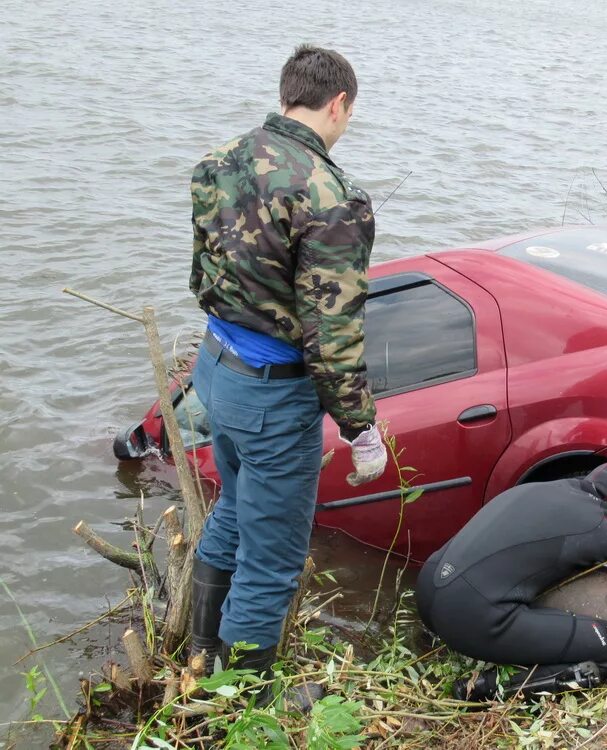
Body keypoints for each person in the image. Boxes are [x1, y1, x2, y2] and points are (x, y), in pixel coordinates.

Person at [186, 45, 387, 693]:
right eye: (348, 113)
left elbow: (205, 274)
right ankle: (241, 707)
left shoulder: (220, 160)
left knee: (235, 511)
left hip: (216, 366)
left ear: (286, 96)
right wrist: (361, 428)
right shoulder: (333, 197)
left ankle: (199, 653)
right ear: (339, 105)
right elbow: (334, 335)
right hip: (272, 397)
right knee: (270, 566)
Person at [416, 462, 607, 701]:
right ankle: (486, 689)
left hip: (429, 588)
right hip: (474, 616)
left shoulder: (540, 488)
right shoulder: (601, 525)